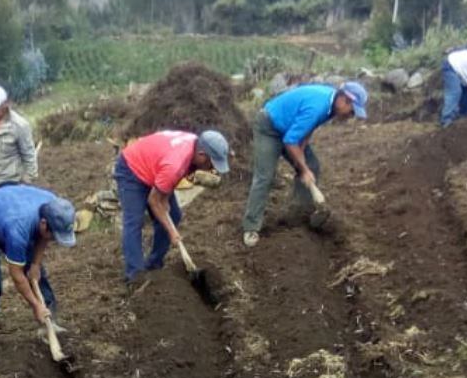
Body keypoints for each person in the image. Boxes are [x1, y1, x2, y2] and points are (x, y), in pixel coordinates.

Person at [242, 80, 367, 247]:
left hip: (290, 130)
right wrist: (303, 169)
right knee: (265, 176)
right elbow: (290, 141)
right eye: (352, 111)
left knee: (312, 164)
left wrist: (303, 158)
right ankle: (251, 227)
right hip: (269, 126)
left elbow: (308, 129)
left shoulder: (331, 105)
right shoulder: (318, 107)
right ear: (344, 100)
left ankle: (299, 214)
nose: (350, 115)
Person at [0, 184, 78, 352]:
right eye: (54, 235)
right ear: (43, 223)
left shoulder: (53, 207)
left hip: (8, 215)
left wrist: (35, 264)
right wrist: (35, 305)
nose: (54, 239)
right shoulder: (18, 230)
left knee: (38, 274)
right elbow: (17, 276)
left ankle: (49, 324)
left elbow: (44, 237)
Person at [114, 129, 229, 283]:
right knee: (134, 222)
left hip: (156, 168)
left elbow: (167, 180)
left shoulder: (195, 145)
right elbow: (154, 201)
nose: (210, 169)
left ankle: (154, 265)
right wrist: (172, 232)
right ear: (202, 154)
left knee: (174, 215)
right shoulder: (176, 164)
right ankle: (135, 277)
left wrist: (166, 198)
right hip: (132, 169)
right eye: (210, 163)